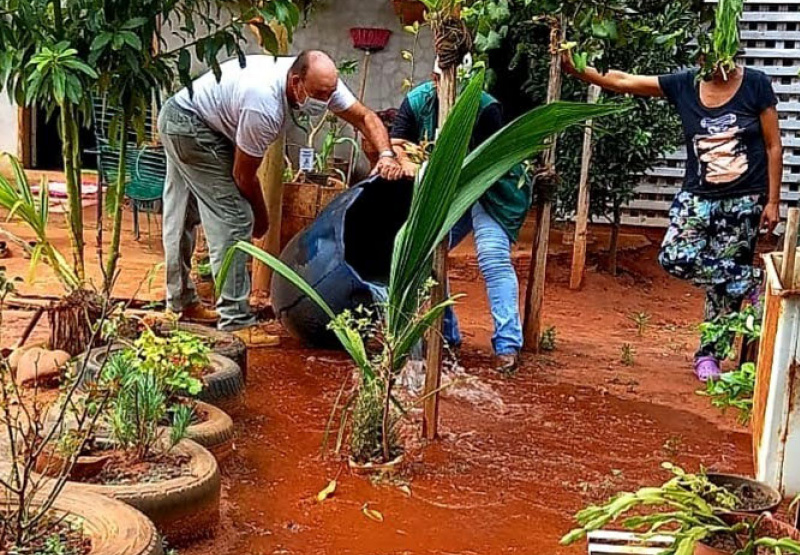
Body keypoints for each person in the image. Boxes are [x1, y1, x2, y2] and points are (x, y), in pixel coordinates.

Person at [562, 51, 782, 382]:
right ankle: (748, 280)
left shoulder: (755, 84)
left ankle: (710, 356)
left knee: (721, 291)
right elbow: (624, 81)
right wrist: (578, 69)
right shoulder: (685, 84)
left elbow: (773, 145)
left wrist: (773, 201)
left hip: (743, 200)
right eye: (707, 56)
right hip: (696, 196)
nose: (716, 63)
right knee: (674, 256)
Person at [159, 50, 403, 347]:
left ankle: (181, 302)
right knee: (235, 219)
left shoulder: (320, 82)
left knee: (182, 213)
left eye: (330, 93)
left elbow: (366, 117)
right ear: (296, 81)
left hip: (189, 115)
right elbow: (243, 175)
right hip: (191, 127)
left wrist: (387, 155)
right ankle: (235, 321)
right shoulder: (264, 104)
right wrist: (261, 219)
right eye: (319, 94)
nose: (325, 102)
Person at [390, 63, 531, 373]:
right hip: (446, 192)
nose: (455, 89)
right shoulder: (417, 102)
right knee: (425, 254)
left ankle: (508, 345)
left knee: (493, 256)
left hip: (491, 188)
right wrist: (408, 162)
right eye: (446, 81)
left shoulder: (485, 108)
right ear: (434, 79)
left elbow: (492, 159)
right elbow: (399, 141)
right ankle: (446, 334)